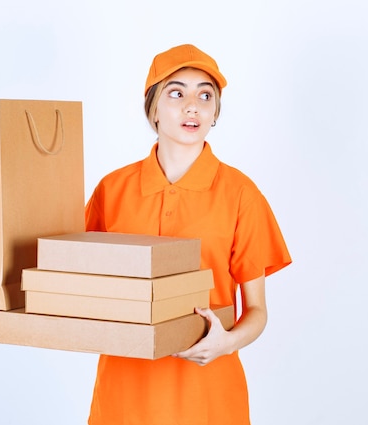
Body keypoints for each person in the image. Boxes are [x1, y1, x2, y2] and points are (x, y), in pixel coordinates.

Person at [84, 43, 292, 425]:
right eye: (176, 92)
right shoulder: (111, 191)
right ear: (154, 110)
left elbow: (257, 311)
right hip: (125, 393)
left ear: (214, 114)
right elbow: (83, 290)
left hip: (208, 394)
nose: (192, 105)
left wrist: (227, 342)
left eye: (205, 95)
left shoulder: (241, 194)